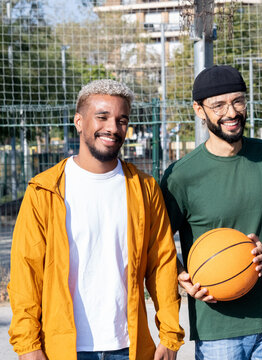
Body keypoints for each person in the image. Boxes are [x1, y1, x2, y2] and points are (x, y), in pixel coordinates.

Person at [8, 79, 184, 360]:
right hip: (64, 349)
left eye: (122, 119)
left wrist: (170, 335)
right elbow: (25, 274)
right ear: (79, 121)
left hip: (129, 347)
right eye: (102, 117)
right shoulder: (44, 190)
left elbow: (161, 264)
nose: (113, 128)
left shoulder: (144, 188)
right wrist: (28, 345)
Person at [160, 65, 262, 360]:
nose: (232, 112)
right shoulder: (180, 176)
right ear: (199, 110)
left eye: (238, 101)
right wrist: (181, 275)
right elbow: (157, 244)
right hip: (217, 329)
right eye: (219, 105)